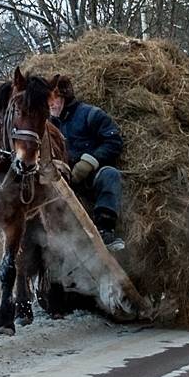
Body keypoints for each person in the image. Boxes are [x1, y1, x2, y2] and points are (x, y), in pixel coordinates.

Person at [48, 78, 126, 252]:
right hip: (58, 181)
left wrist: (88, 162)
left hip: (90, 178)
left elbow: (113, 141)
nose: (51, 104)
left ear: (65, 98)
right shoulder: (45, 123)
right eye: (48, 100)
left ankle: (105, 231)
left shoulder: (91, 115)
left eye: (55, 99)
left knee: (110, 175)